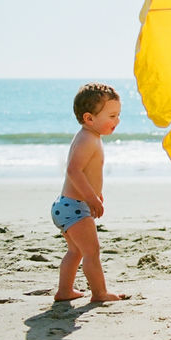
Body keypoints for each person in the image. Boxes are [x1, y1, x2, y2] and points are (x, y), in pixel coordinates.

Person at [51, 83, 126, 303]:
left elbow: (86, 172)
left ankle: (64, 291)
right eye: (111, 115)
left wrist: (95, 193)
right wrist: (91, 198)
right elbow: (74, 170)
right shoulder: (87, 140)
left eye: (118, 115)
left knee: (75, 252)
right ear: (89, 118)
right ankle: (99, 293)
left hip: (66, 205)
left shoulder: (90, 137)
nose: (117, 121)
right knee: (92, 251)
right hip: (74, 206)